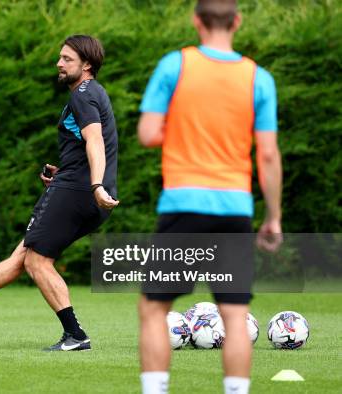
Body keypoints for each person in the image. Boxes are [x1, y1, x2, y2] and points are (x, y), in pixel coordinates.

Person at [136, 0, 282, 393]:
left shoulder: (174, 65)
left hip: (182, 204)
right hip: (234, 207)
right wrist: (273, 218)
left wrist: (182, 132)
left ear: (196, 21)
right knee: (235, 316)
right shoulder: (258, 78)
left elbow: (148, 133)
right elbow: (267, 154)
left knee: (153, 309)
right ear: (236, 22)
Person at [0, 34, 119, 351]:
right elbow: (90, 145)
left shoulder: (82, 95)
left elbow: (95, 141)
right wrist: (72, 175)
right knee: (26, 252)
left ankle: (75, 336)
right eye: (60, 57)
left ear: (87, 64)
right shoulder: (93, 93)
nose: (59, 63)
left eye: (67, 59)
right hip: (79, 189)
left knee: (36, 260)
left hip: (80, 190)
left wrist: (93, 184)